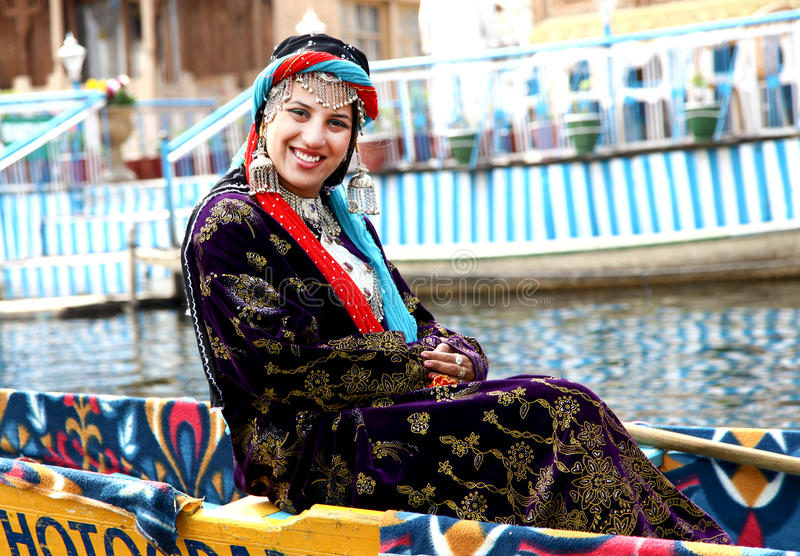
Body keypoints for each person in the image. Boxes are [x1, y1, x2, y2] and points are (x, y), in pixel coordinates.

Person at [182, 34, 731, 543]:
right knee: (553, 412)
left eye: (336, 123)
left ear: (351, 139)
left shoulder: (346, 223)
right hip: (306, 454)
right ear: (264, 116)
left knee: (567, 399)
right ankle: (685, 550)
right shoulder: (228, 223)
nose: (314, 138)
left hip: (385, 412)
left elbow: (419, 323)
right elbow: (278, 365)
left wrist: (463, 358)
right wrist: (420, 364)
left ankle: (688, 548)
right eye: (299, 113)